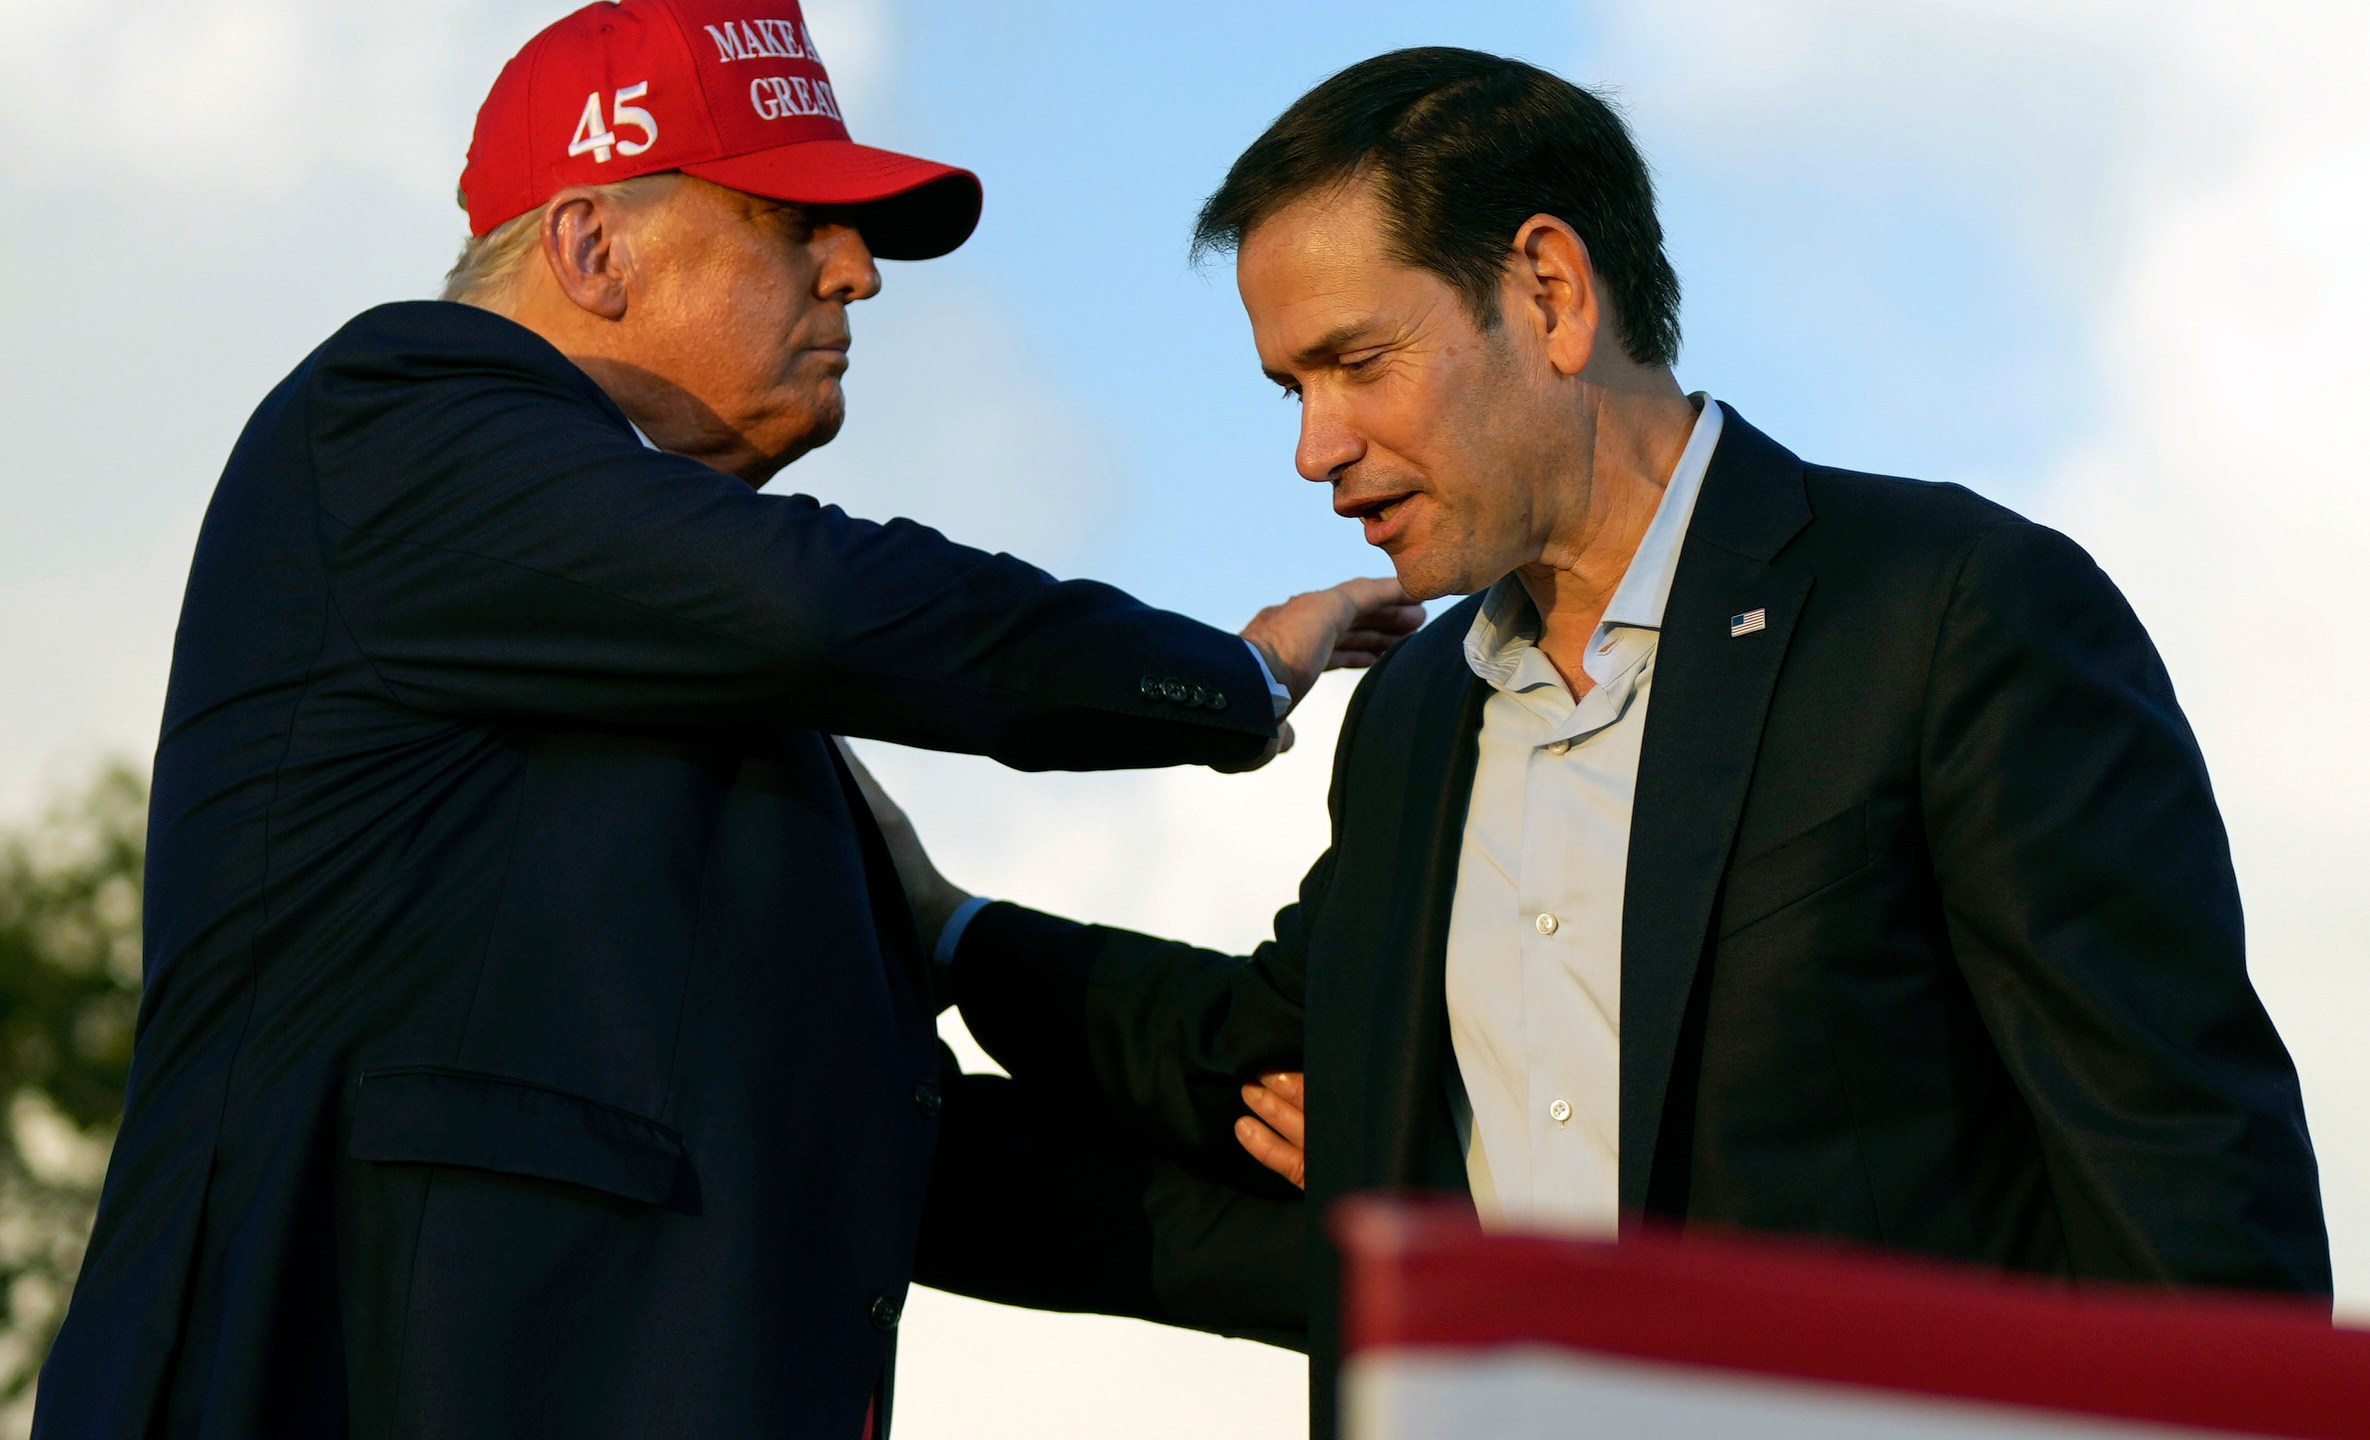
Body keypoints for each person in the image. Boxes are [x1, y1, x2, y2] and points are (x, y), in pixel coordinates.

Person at [872, 47, 2333, 1440]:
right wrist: (947, 932)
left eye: (1355, 361)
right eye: (1288, 389)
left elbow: (2183, 1183)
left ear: (1552, 293)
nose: (1313, 447)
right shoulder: (1414, 718)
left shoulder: (1947, 609)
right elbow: (1257, 1049)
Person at [29, 3, 1420, 1437]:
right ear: (590, 246)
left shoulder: (671, 667)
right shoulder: (393, 416)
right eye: (789, 220)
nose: (857, 272)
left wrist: (1422, 1258)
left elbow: (885, 1148)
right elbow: (816, 601)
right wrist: (1230, 676)